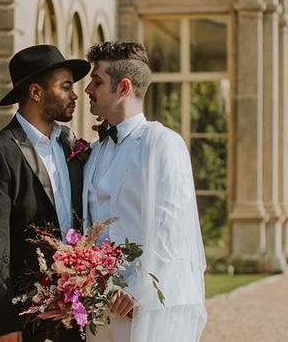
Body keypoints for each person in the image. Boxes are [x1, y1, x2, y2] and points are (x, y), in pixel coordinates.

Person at [83, 41, 207, 342]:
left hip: (149, 305)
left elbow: (172, 225)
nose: (87, 89)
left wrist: (139, 289)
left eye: (97, 81)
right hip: (100, 305)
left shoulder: (163, 143)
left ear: (123, 87)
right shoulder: (95, 152)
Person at [0, 44, 91, 342]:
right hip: (21, 320)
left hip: (75, 315)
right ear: (36, 92)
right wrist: (4, 324)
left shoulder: (71, 146)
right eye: (65, 87)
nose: (75, 95)